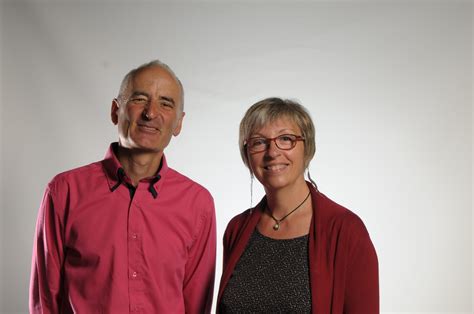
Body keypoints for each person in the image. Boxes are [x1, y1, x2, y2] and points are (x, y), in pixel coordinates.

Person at [29, 60, 216, 313]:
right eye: (139, 99)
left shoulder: (198, 204)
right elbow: (45, 301)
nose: (151, 113)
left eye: (165, 103)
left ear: (179, 123)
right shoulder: (64, 191)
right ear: (116, 111)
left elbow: (196, 306)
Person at [217, 97, 379, 313]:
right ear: (247, 155)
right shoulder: (237, 229)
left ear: (307, 148)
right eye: (258, 142)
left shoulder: (346, 231)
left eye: (285, 139)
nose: (272, 152)